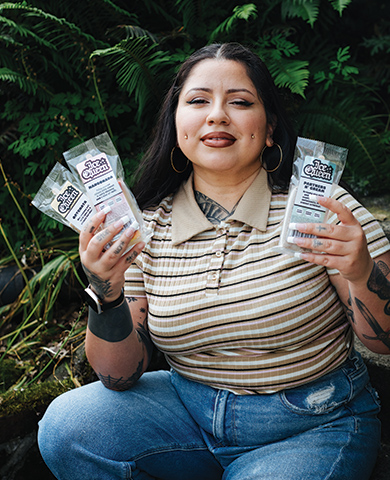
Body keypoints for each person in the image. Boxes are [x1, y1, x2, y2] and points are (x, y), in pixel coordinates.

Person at [38, 43, 390, 480]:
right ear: (177, 123)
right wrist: (105, 291)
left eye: (240, 102)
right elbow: (119, 377)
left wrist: (361, 273)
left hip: (309, 424)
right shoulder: (145, 227)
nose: (217, 115)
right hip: (187, 413)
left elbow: (384, 343)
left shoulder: (320, 209)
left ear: (269, 128)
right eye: (198, 100)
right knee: (66, 428)